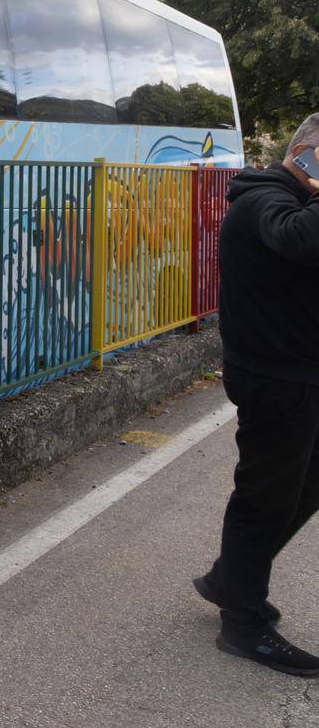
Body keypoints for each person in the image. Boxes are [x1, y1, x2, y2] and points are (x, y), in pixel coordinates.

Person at [196, 113, 319, 675]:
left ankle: (231, 578)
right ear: (308, 152)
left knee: (305, 485)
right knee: (263, 498)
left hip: (297, 372)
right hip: (275, 379)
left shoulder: (287, 200)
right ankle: (243, 626)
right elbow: (297, 241)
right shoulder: (262, 198)